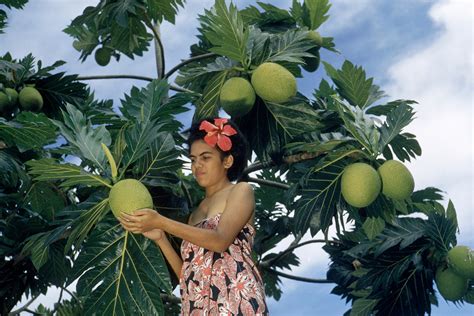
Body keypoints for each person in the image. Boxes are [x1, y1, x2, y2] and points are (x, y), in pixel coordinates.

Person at [118, 117, 269, 315]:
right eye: (193, 159)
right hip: (197, 307)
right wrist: (161, 237)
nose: (197, 165)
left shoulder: (240, 191)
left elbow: (220, 240)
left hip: (235, 301)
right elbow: (189, 273)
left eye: (205, 157)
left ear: (228, 160)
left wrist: (161, 221)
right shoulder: (195, 214)